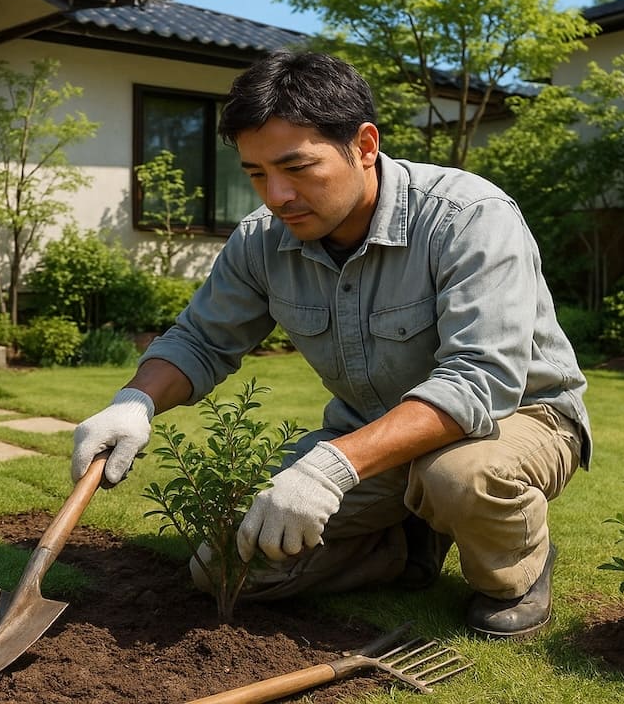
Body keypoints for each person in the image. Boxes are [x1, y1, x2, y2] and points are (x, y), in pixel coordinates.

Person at [71, 50, 590, 638]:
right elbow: (201, 340)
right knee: (227, 566)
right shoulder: (263, 242)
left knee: (459, 477)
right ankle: (403, 541)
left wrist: (331, 467)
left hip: (518, 416)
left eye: (297, 167)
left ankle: (515, 570)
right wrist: (133, 403)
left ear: (365, 145)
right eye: (256, 174)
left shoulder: (468, 217)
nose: (277, 195)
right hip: (372, 430)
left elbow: (481, 380)